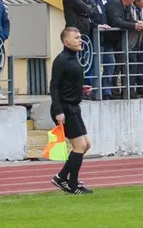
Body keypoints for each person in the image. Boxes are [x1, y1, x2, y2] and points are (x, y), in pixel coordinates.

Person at [49, 26, 94, 195]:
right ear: (66, 41)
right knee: (80, 146)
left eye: (80, 37)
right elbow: (54, 87)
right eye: (76, 37)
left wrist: (81, 88)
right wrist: (58, 111)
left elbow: (67, 83)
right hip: (65, 109)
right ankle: (73, 186)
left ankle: (61, 177)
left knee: (86, 145)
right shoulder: (61, 60)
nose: (80, 40)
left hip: (74, 107)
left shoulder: (73, 59)